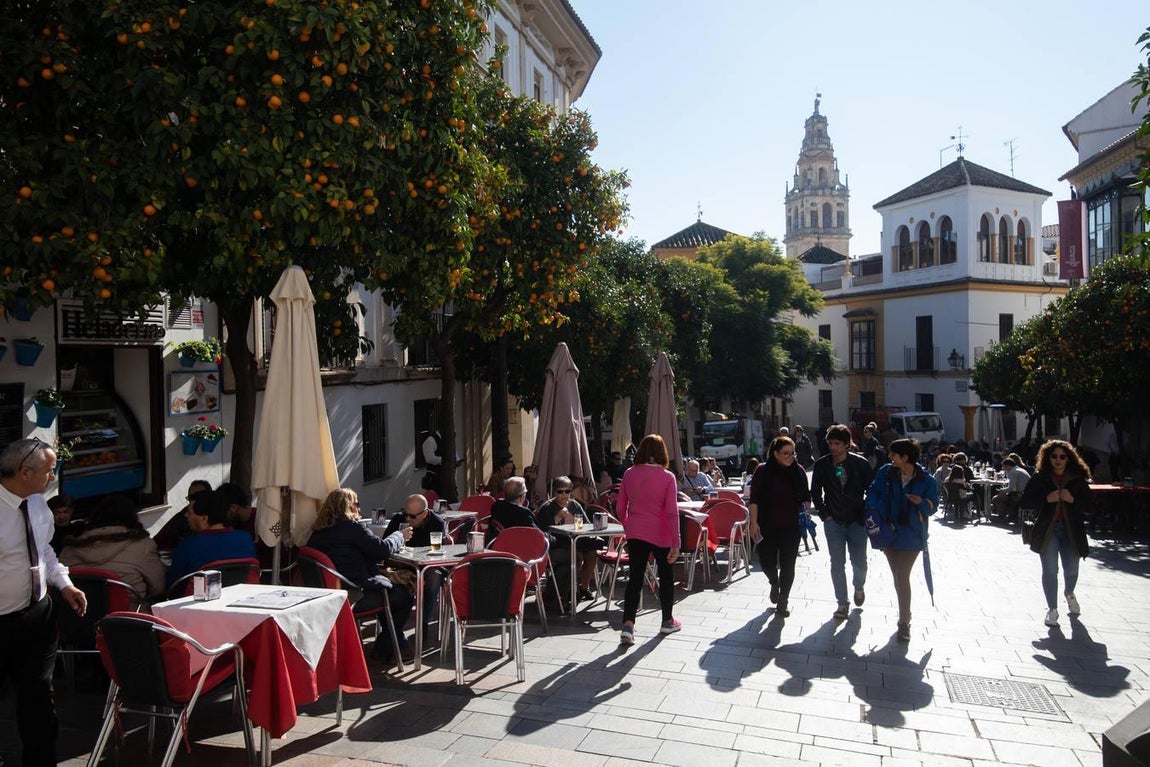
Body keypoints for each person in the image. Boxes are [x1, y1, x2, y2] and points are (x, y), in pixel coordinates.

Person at [1, 437, 88, 767]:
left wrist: (64, 585)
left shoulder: (38, 504)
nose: (53, 476)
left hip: (38, 615)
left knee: (39, 696)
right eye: (49, 470)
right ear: (24, 472)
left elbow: (44, 549)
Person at [307, 488, 414, 661]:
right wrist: (399, 536)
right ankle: (386, 647)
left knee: (388, 592)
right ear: (348, 506)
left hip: (328, 596)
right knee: (404, 595)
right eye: (356, 504)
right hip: (354, 596)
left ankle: (395, 646)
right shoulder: (353, 528)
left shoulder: (317, 532)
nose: (359, 508)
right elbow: (382, 550)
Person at [865, 438, 938, 643]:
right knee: (897, 576)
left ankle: (904, 621)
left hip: (912, 535)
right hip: (888, 532)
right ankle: (905, 613)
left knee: (901, 574)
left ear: (905, 457)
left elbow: (933, 507)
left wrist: (921, 502)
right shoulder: (886, 472)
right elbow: (873, 491)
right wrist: (873, 508)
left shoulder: (926, 480)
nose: (890, 457)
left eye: (894, 454)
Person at [1019, 440, 1093, 628]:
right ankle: (1052, 609)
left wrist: (1072, 499)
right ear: (1048, 457)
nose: (1058, 460)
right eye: (1054, 456)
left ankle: (1069, 593)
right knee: (1050, 570)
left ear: (1069, 458)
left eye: (1062, 456)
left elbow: (1091, 506)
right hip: (1048, 531)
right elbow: (1025, 502)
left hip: (1071, 530)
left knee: (1072, 569)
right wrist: (1046, 499)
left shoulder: (1077, 479)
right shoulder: (1041, 477)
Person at [615, 434, 681, 644]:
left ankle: (628, 625)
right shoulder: (667, 477)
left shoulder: (629, 473)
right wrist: (676, 541)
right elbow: (672, 512)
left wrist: (629, 525)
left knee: (635, 578)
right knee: (666, 576)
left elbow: (620, 507)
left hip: (636, 531)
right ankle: (667, 620)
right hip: (661, 532)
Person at [810, 424, 873, 620]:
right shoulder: (822, 464)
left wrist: (864, 513)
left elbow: (871, 490)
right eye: (830, 443)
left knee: (859, 562)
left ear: (847, 444)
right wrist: (824, 514)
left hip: (857, 520)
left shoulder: (860, 464)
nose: (832, 447)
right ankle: (842, 603)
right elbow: (815, 492)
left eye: (837, 443)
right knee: (837, 563)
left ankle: (859, 586)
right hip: (834, 520)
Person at [59, 494, 167, 604]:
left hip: (76, 612)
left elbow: (57, 585)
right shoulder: (143, 545)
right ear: (132, 517)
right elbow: (158, 588)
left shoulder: (69, 549)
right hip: (128, 613)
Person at [748, 436, 811, 618]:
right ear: (775, 453)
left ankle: (783, 601)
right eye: (785, 453)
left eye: (792, 453)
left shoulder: (798, 471)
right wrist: (753, 523)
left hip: (791, 526)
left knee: (788, 565)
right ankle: (774, 582)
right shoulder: (763, 471)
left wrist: (806, 509)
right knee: (766, 561)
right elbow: (754, 499)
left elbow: (806, 496)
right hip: (767, 525)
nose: (790, 457)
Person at [166, 490, 257, 590]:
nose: (186, 515)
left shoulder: (188, 546)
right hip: (241, 595)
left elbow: (172, 586)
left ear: (204, 519)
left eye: (189, 512)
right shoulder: (245, 538)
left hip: (199, 599)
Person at [535, 476, 597, 601]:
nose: (564, 495)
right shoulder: (548, 507)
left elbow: (586, 524)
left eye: (567, 491)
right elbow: (541, 531)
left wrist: (575, 522)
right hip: (557, 544)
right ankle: (569, 591)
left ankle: (584, 588)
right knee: (576, 557)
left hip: (576, 541)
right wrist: (557, 518)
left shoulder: (574, 504)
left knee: (592, 554)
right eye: (560, 491)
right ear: (554, 492)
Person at [153, 479, 211, 552]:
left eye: (199, 496)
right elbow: (157, 542)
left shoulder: (219, 514)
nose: (194, 501)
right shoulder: (182, 517)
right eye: (190, 498)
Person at [487, 476, 538, 544]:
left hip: (498, 543)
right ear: (522, 497)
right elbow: (538, 536)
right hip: (520, 546)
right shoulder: (524, 514)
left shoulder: (497, 505)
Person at [992, 456, 1031, 524]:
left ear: (1008, 466)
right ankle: (1010, 515)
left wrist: (1002, 490)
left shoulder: (1012, 472)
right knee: (1004, 496)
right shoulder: (1021, 470)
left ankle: (1002, 516)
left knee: (996, 498)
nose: (1004, 469)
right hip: (1027, 494)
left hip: (1019, 495)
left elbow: (1012, 488)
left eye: (1004, 467)